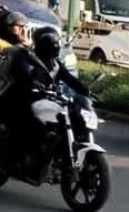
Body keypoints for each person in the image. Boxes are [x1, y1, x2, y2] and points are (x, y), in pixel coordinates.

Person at [0, 25, 89, 173]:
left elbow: (69, 79)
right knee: (25, 126)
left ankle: (54, 154)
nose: (56, 46)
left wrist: (86, 91)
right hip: (17, 100)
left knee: (63, 117)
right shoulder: (25, 55)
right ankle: (16, 161)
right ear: (44, 45)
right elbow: (21, 70)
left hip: (42, 100)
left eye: (56, 43)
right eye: (52, 43)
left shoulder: (55, 64)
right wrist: (31, 81)